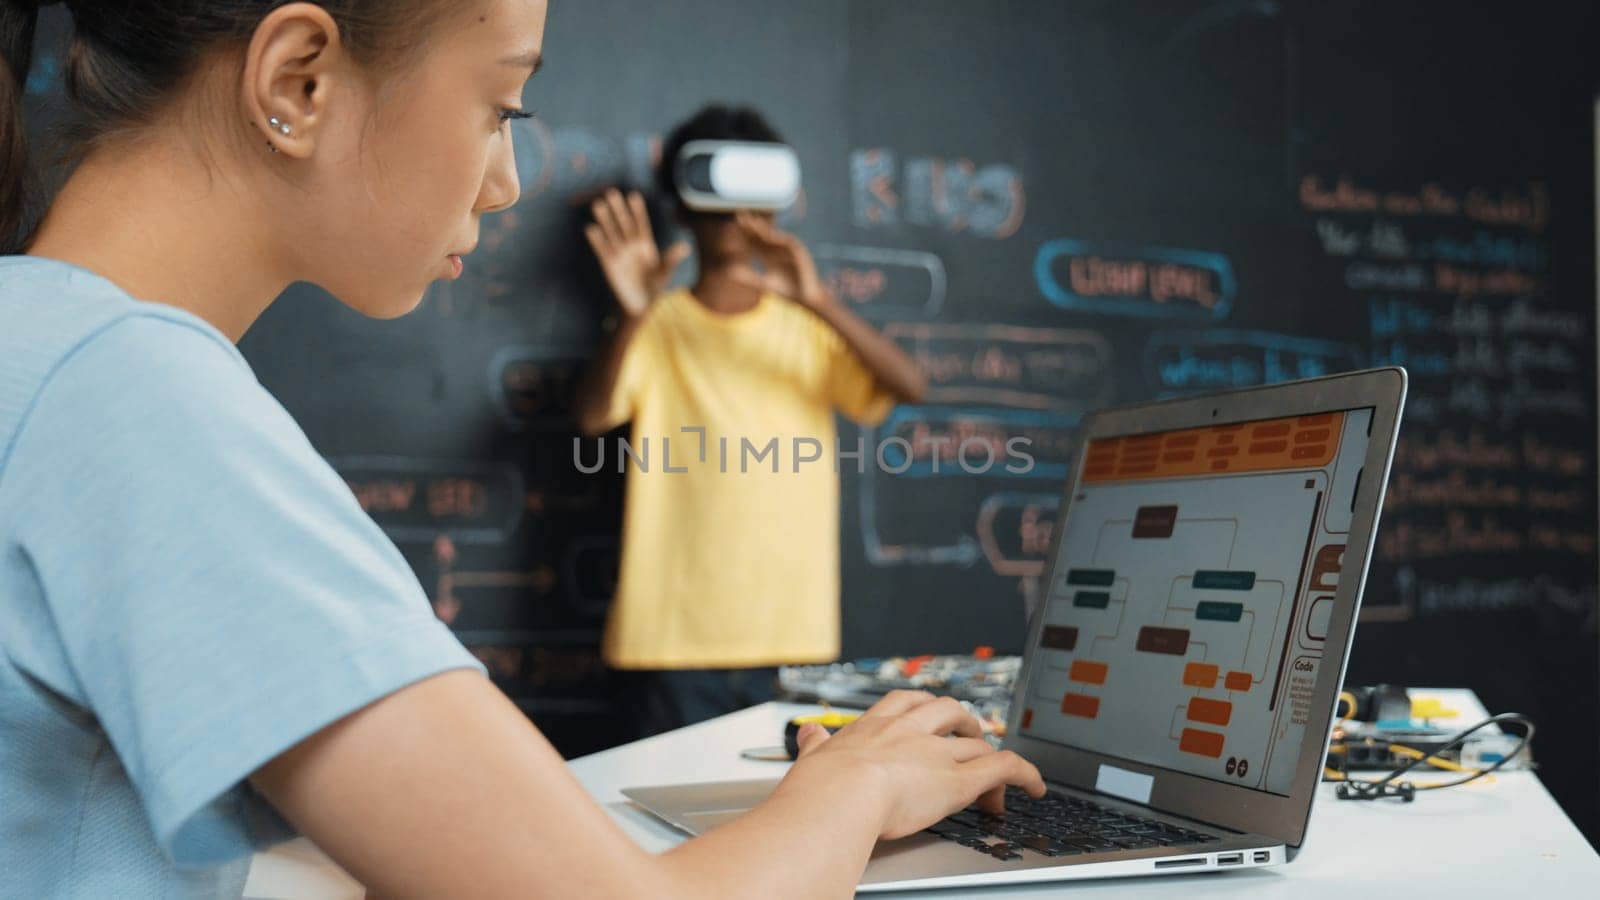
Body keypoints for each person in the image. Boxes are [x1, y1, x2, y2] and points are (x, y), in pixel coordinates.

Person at [0, 2, 1043, 898]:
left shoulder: (43, 346)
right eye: (502, 109)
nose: (503, 182)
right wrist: (857, 784)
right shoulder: (136, 403)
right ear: (299, 81)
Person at [574, 105, 928, 738]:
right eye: (718, 198)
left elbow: (909, 386)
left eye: (753, 200)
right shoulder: (655, 324)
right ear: (682, 207)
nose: (737, 219)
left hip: (789, 639)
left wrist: (817, 300)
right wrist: (631, 314)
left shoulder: (805, 326)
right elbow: (593, 416)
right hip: (671, 643)